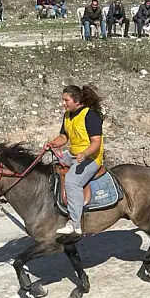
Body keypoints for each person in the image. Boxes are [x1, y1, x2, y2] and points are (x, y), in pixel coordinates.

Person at [47, 85, 105, 236]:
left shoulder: (90, 116)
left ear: (77, 100)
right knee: (52, 167)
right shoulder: (67, 116)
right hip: (73, 154)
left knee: (72, 181)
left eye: (66, 100)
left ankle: (75, 223)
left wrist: (85, 154)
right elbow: (63, 137)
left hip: (91, 157)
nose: (63, 103)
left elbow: (96, 142)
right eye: (63, 100)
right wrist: (53, 143)